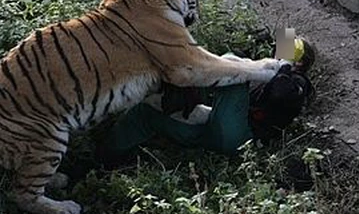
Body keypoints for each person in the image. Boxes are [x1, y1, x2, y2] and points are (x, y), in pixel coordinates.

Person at [96, 38, 315, 165]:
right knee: (146, 112)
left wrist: (285, 64)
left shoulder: (299, 83)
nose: (278, 54)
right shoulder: (268, 73)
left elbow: (280, 94)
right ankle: (103, 158)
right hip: (209, 130)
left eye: (287, 51)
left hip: (241, 137)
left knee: (232, 62)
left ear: (300, 62)